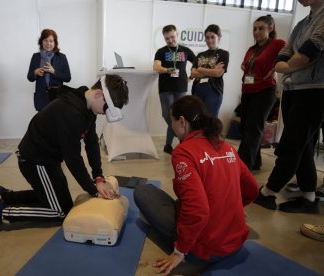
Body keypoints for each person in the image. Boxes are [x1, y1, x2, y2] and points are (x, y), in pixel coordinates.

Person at [0, 74, 129, 240]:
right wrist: (93, 189)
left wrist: (98, 177)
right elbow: (73, 158)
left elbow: (91, 143)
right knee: (59, 212)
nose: (104, 114)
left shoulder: (87, 105)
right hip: (35, 161)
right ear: (99, 94)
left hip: (49, 160)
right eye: (106, 109)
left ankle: (4, 195)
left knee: (62, 202)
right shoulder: (71, 112)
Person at [133, 96, 259, 275]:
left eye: (172, 121)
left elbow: (197, 208)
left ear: (182, 122)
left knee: (143, 191)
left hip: (203, 249)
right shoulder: (227, 147)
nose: (172, 126)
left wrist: (179, 252)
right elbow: (252, 189)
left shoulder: (183, 152)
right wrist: (234, 208)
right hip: (235, 242)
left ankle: (185, 246)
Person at [254, 0, 324, 214]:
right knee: (302, 148)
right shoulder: (304, 22)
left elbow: (307, 54)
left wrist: (291, 64)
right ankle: (309, 197)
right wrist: (289, 64)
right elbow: (284, 57)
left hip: (314, 90)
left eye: (260, 28)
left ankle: (268, 192)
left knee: (291, 145)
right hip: (295, 89)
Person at [237, 15, 285, 171]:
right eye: (254, 29)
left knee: (253, 128)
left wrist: (276, 68)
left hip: (265, 91)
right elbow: (246, 65)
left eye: (261, 28)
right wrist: (245, 67)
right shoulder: (252, 49)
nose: (256, 32)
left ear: (270, 28)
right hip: (248, 90)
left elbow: (290, 57)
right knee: (245, 128)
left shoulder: (278, 44)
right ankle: (255, 161)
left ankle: (242, 167)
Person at [154, 24, 196, 155]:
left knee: (178, 116)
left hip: (181, 88)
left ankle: (168, 145)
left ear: (177, 34)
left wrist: (192, 75)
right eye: (167, 38)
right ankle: (183, 139)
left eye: (172, 37)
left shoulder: (185, 50)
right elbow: (156, 67)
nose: (170, 40)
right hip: (165, 89)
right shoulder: (161, 51)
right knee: (168, 116)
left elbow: (196, 63)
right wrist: (168, 70)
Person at [27, 29, 71, 111]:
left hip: (57, 97)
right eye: (45, 40)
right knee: (43, 122)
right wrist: (35, 72)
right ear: (41, 42)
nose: (48, 44)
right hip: (41, 97)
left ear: (55, 43)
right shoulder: (36, 56)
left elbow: (68, 77)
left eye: (51, 41)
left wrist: (54, 71)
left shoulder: (61, 57)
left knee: (57, 122)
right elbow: (29, 77)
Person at [190, 24, 229, 117]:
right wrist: (211, 71)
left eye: (212, 37)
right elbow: (193, 73)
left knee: (210, 120)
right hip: (198, 89)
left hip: (214, 90)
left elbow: (218, 73)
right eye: (207, 37)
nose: (209, 40)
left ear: (219, 37)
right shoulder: (200, 55)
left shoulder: (223, 54)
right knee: (196, 119)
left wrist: (200, 69)